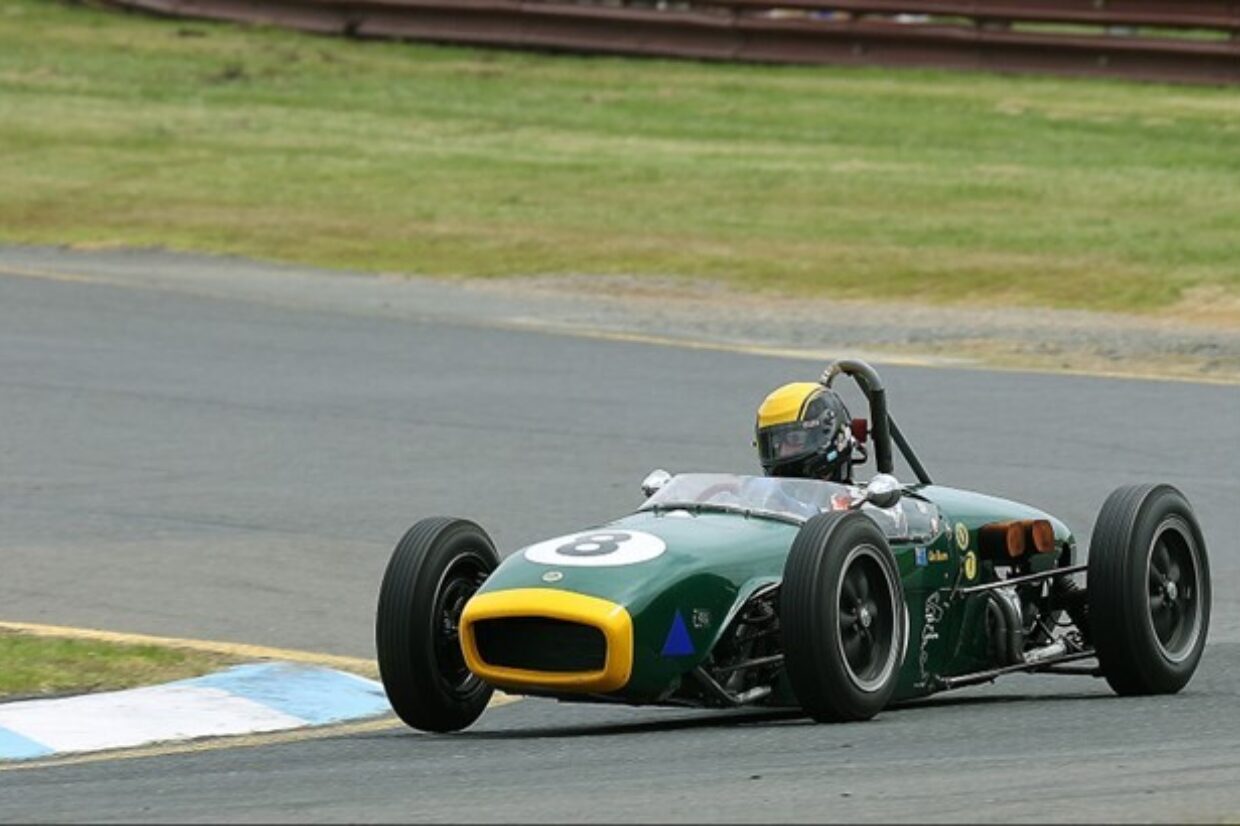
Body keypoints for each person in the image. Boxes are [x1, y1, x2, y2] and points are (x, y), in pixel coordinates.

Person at [754, 381, 857, 483]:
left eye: (794, 439)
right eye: (775, 444)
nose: (783, 452)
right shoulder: (763, 498)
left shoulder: (866, 498)